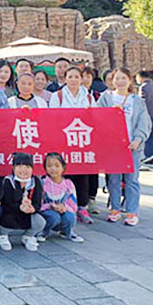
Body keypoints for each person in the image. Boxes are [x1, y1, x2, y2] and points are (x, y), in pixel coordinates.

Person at [98, 68, 151, 227]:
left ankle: (132, 211)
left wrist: (138, 139)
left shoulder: (137, 101)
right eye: (117, 78)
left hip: (132, 146)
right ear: (112, 81)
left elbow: (143, 122)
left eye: (123, 78)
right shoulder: (106, 98)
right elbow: (97, 117)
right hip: (112, 147)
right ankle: (115, 209)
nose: (120, 81)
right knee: (113, 179)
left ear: (130, 80)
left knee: (131, 179)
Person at [49, 66, 96, 224]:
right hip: (63, 139)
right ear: (65, 78)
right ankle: (64, 205)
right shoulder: (58, 96)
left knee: (82, 173)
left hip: (82, 140)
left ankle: (82, 206)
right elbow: (52, 117)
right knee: (64, 172)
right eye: (70, 77)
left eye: (77, 77)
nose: (74, 80)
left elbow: (95, 117)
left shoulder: (88, 97)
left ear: (81, 79)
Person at [0, 153, 45, 252]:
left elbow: (38, 203)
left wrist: (33, 209)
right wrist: (20, 207)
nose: (23, 170)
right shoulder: (8, 181)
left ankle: (28, 236)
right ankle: (3, 235)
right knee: (5, 216)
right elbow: (6, 203)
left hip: (28, 212)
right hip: (11, 212)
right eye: (19, 166)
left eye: (27, 166)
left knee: (40, 221)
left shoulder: (35, 181)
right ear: (13, 168)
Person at [38, 153, 84, 243]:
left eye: (57, 166)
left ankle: (66, 232)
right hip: (49, 215)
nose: (53, 169)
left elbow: (74, 206)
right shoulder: (43, 183)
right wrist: (50, 206)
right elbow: (38, 205)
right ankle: (44, 232)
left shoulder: (68, 184)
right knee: (54, 216)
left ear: (63, 167)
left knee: (70, 216)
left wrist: (64, 207)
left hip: (64, 211)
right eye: (49, 166)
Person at [136, 71, 153, 166]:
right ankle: (152, 155)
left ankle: (149, 156)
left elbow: (142, 102)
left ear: (141, 77)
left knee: (147, 136)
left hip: (148, 114)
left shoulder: (143, 87)